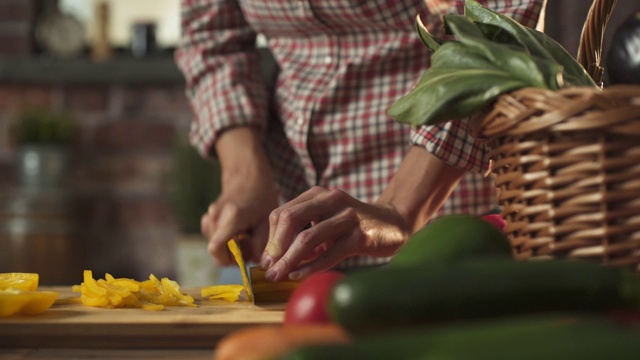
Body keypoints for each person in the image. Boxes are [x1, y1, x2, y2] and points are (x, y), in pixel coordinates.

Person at [175, 0, 546, 278]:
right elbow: (213, 38)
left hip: (445, 218)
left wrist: (400, 208)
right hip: (293, 218)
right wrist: (245, 177)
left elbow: (500, 27)